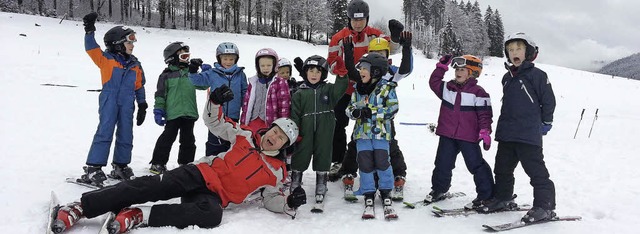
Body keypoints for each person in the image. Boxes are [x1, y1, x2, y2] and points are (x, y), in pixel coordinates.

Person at [50, 86, 306, 234]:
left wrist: (289, 204)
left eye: (281, 137)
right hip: (198, 173)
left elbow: (272, 199)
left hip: (215, 197)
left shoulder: (277, 172)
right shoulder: (245, 135)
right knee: (149, 187)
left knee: (212, 216)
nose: (274, 136)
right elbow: (214, 121)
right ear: (269, 128)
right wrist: (214, 101)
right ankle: (80, 207)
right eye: (275, 130)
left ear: (285, 146)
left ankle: (139, 216)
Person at [477, 32, 557, 224]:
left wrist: (546, 122)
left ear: (528, 52)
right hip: (507, 133)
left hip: (528, 133)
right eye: (511, 49)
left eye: (518, 48)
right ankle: (503, 198)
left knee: (535, 171)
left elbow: (548, 101)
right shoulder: (507, 77)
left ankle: (544, 207)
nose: (514, 52)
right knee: (502, 169)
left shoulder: (537, 75)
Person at [332, 34, 412, 201]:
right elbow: (352, 71)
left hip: (384, 122)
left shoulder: (390, 72)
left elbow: (406, 69)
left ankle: (398, 174)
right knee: (355, 144)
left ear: (387, 55)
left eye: (383, 53)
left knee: (390, 146)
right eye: (375, 53)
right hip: (362, 121)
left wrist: (406, 48)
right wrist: (348, 52)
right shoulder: (364, 72)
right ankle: (348, 171)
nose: (379, 56)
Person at [326, 0, 396, 181]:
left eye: (361, 20)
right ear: (349, 19)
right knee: (338, 123)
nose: (358, 23)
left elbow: (389, 52)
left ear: (367, 19)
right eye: (354, 20)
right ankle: (338, 161)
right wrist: (341, 68)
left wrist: (396, 39)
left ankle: (386, 162)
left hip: (370, 90)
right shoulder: (338, 38)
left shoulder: (375, 35)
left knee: (378, 125)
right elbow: (331, 62)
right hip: (346, 89)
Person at [78, 12, 147, 187]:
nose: (132, 45)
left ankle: (120, 166)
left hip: (127, 102)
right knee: (105, 131)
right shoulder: (106, 59)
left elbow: (139, 86)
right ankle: (93, 167)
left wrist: (142, 104)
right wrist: (89, 30)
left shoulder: (135, 64)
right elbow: (91, 48)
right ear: (117, 44)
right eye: (129, 42)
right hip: (109, 98)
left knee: (126, 134)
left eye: (132, 42)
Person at [427, 54, 494, 208]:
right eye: (456, 68)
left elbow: (485, 114)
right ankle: (439, 189)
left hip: (468, 137)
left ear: (472, 72)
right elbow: (434, 82)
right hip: (447, 135)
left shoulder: (478, 92)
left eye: (463, 69)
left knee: (476, 165)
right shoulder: (448, 88)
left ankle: (486, 195)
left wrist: (485, 130)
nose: (458, 71)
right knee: (442, 163)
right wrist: (441, 67)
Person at [289, 55, 349, 212]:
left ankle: (321, 184)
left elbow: (341, 88)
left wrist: (342, 74)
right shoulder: (299, 93)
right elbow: (294, 114)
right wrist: (295, 132)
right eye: (311, 70)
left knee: (323, 153)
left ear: (323, 74)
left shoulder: (328, 90)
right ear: (305, 72)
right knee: (301, 153)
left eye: (318, 71)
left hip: (325, 128)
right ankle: (295, 181)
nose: (314, 74)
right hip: (305, 129)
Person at [347, 53, 399, 219]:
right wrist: (354, 112)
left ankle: (385, 191)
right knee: (365, 163)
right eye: (361, 68)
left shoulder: (387, 88)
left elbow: (393, 109)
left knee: (382, 162)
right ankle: (368, 192)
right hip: (362, 134)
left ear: (376, 71)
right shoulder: (357, 89)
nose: (361, 71)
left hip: (380, 134)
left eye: (364, 68)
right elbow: (349, 108)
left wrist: (372, 111)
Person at [148, 42, 208, 174]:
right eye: (183, 56)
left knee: (188, 140)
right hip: (173, 113)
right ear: (172, 58)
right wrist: (158, 110)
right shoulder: (166, 75)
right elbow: (160, 94)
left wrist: (205, 72)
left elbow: (203, 86)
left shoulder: (191, 74)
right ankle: (158, 162)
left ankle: (185, 164)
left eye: (187, 55)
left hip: (189, 112)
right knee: (167, 138)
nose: (187, 59)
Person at [188, 42, 247, 156]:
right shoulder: (213, 73)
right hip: (215, 117)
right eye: (225, 59)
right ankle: (210, 167)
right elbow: (197, 81)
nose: (228, 62)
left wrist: (246, 110)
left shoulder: (240, 74)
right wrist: (193, 71)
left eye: (231, 59)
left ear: (236, 59)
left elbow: (245, 93)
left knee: (231, 146)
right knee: (214, 144)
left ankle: (229, 169)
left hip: (233, 117)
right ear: (219, 59)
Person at [240, 48, 291, 132]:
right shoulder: (253, 82)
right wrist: (243, 123)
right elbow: (246, 105)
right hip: (252, 122)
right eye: (262, 66)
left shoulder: (280, 83)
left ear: (274, 65)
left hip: (269, 124)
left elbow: (284, 107)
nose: (265, 68)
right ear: (258, 66)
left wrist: (282, 127)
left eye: (268, 65)